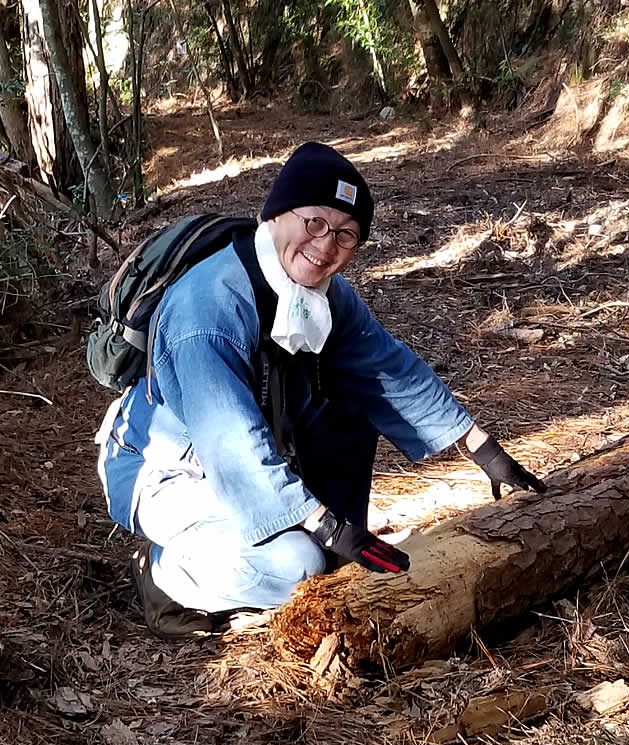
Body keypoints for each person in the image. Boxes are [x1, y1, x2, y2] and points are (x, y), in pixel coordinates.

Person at [94, 142, 545, 639]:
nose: (326, 246)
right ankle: (163, 574)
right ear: (277, 214)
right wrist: (325, 526)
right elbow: (231, 445)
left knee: (351, 404)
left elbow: (387, 371)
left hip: (240, 456)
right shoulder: (209, 308)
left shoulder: (322, 298)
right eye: (314, 222)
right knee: (296, 566)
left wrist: (484, 450)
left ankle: (312, 545)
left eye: (346, 234)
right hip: (161, 468)